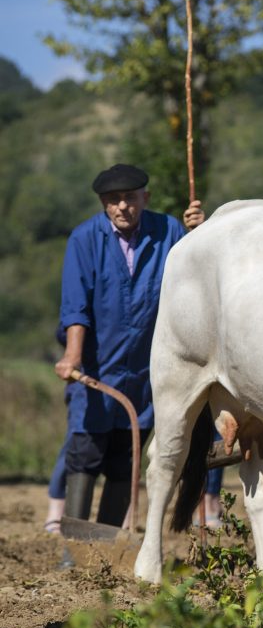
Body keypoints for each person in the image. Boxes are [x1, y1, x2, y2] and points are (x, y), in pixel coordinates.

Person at [53, 163, 204, 527]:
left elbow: (193, 272)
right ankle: (75, 549)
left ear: (144, 199)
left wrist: (200, 233)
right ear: (104, 204)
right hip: (97, 368)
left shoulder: (168, 230)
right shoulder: (84, 239)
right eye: (114, 200)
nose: (123, 207)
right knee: (86, 454)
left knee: (126, 457)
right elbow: (75, 307)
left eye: (130, 198)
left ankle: (102, 547)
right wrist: (73, 355)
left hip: (144, 371)